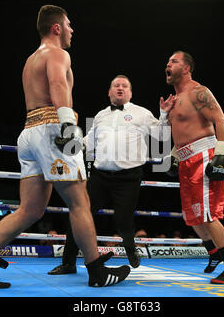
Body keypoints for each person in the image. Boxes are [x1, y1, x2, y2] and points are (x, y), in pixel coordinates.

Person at [0, 5, 130, 289]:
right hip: (53, 129)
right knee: (80, 202)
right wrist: (67, 125)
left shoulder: (30, 60)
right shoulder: (57, 53)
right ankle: (96, 272)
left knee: (30, 209)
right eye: (69, 25)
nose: (72, 30)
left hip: (29, 132)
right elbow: (56, 85)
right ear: (57, 28)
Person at [48, 75, 171, 274]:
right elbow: (89, 141)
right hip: (100, 176)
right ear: (109, 91)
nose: (120, 88)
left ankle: (131, 249)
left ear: (130, 93)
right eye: (116, 85)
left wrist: (164, 115)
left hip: (129, 177)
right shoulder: (100, 115)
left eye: (124, 86)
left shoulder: (141, 113)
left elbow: (162, 136)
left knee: (123, 221)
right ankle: (68, 263)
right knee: (80, 215)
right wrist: (70, 143)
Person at [162, 50, 224, 284]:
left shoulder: (199, 92)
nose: (168, 64)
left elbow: (222, 121)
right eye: (167, 62)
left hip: (204, 157)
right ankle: (215, 254)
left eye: (174, 61)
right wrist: (174, 155)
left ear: (186, 68)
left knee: (208, 215)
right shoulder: (174, 100)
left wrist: (222, 156)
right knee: (193, 217)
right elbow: (183, 135)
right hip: (186, 161)